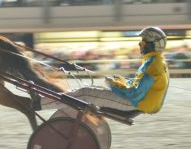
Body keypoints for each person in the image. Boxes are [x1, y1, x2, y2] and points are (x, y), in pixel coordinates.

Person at [34, 27, 169, 116]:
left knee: (85, 93)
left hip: (134, 104)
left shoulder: (153, 65)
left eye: (143, 42)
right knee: (88, 90)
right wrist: (120, 81)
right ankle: (45, 102)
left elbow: (135, 93)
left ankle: (38, 104)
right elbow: (138, 85)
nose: (139, 45)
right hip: (139, 103)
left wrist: (114, 85)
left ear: (152, 45)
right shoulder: (155, 61)